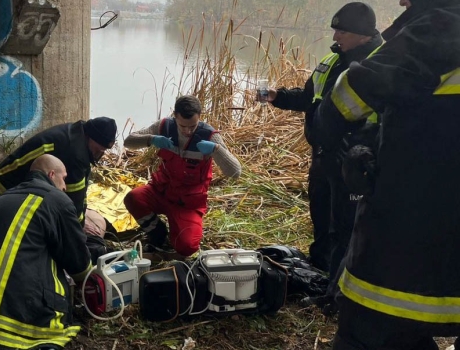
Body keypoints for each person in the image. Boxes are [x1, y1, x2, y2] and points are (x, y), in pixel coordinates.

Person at [311, 0, 460, 349]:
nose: (401, 2)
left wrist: (331, 139)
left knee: (368, 331)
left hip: (415, 217)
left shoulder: (441, 27)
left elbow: (351, 95)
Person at [264, 2, 382, 276]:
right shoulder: (331, 61)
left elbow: (388, 116)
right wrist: (276, 96)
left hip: (354, 161)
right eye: (334, 30)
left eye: (342, 31)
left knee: (345, 225)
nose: (335, 37)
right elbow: (309, 99)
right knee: (320, 214)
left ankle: (339, 284)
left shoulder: (379, 65)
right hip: (322, 155)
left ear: (363, 34)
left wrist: (361, 146)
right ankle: (318, 269)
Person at [0, 154, 92, 350]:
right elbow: (78, 262)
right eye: (64, 179)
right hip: (19, 326)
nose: (66, 187)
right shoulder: (57, 200)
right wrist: (92, 281)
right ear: (51, 175)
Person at [123, 95, 241, 257]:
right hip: (160, 191)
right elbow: (128, 141)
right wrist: (151, 139)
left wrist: (216, 150)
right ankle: (158, 233)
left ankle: (176, 231)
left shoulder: (210, 136)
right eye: (182, 126)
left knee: (187, 247)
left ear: (200, 117)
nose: (187, 131)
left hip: (187, 203)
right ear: (175, 116)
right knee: (132, 198)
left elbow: (235, 172)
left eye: (192, 126)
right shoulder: (164, 126)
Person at [0, 117, 117, 225]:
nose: (101, 153)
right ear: (91, 137)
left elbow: (81, 187)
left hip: (0, 181)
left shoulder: (78, 134)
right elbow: (74, 201)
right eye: (99, 149)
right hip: (1, 190)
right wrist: (78, 233)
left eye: (104, 150)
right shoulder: (75, 153)